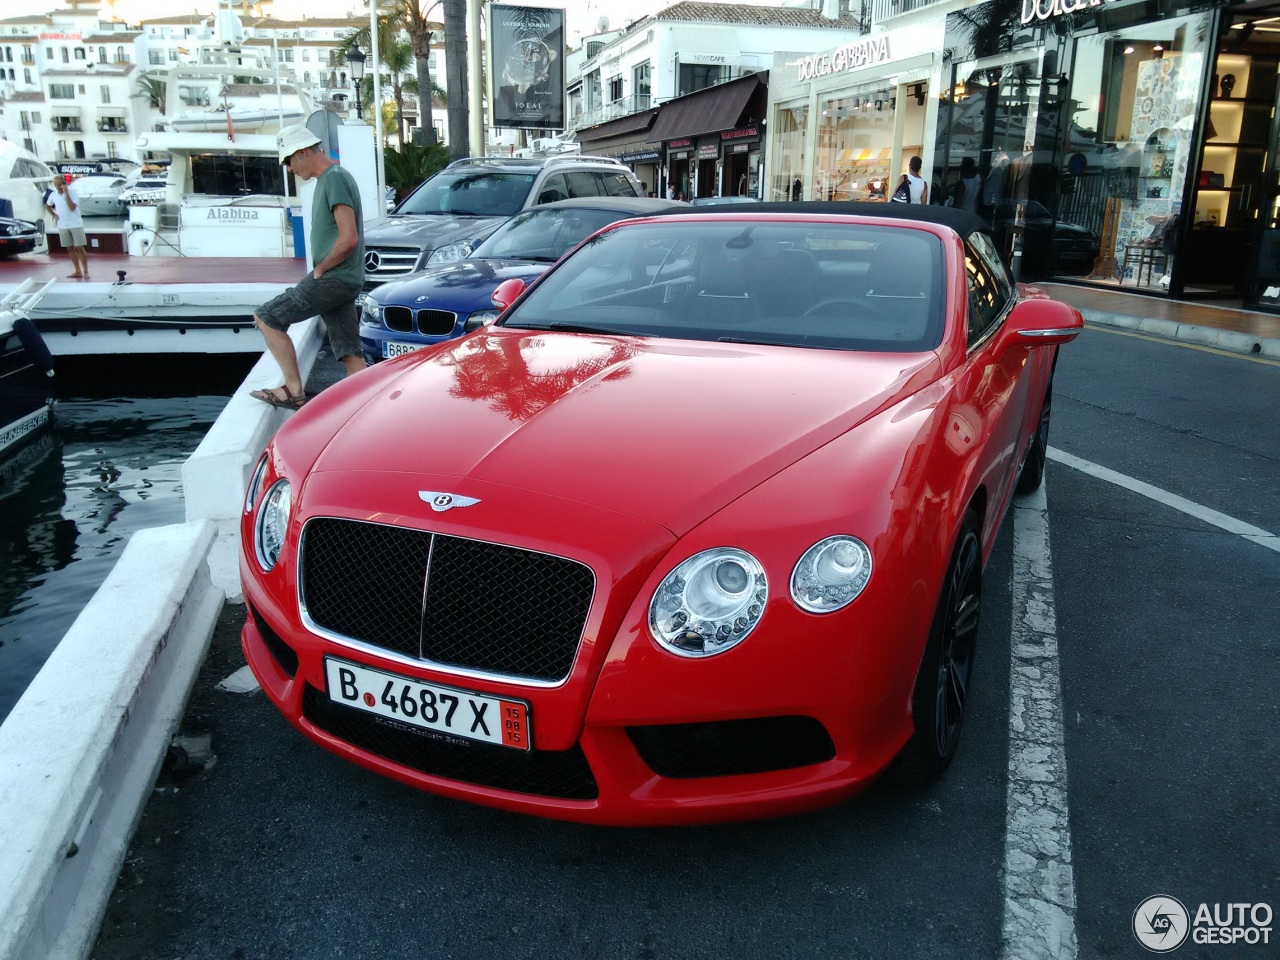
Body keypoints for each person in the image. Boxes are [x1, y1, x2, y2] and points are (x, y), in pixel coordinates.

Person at [249, 124, 366, 409]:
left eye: (289, 160)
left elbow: (348, 238)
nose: (289, 168)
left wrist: (321, 269)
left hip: (335, 278)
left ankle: (293, 390)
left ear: (302, 152)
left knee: (267, 317)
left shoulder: (334, 178)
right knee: (349, 350)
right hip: (345, 278)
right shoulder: (332, 179)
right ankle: (367, 406)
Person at [45, 175, 89, 280]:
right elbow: (47, 205)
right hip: (63, 225)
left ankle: (86, 270)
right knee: (70, 248)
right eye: (56, 185)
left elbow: (72, 207)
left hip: (75, 224)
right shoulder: (53, 194)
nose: (57, 187)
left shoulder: (73, 193)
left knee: (80, 247)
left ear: (65, 184)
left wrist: (66, 194)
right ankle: (77, 270)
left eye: (59, 185)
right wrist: (54, 215)